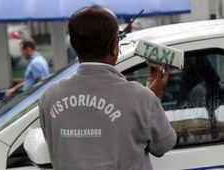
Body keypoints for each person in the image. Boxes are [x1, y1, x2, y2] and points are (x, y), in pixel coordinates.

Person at [39, 5, 176, 170]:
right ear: (114, 47)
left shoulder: (49, 97)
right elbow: (164, 145)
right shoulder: (141, 98)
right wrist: (151, 97)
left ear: (74, 47)